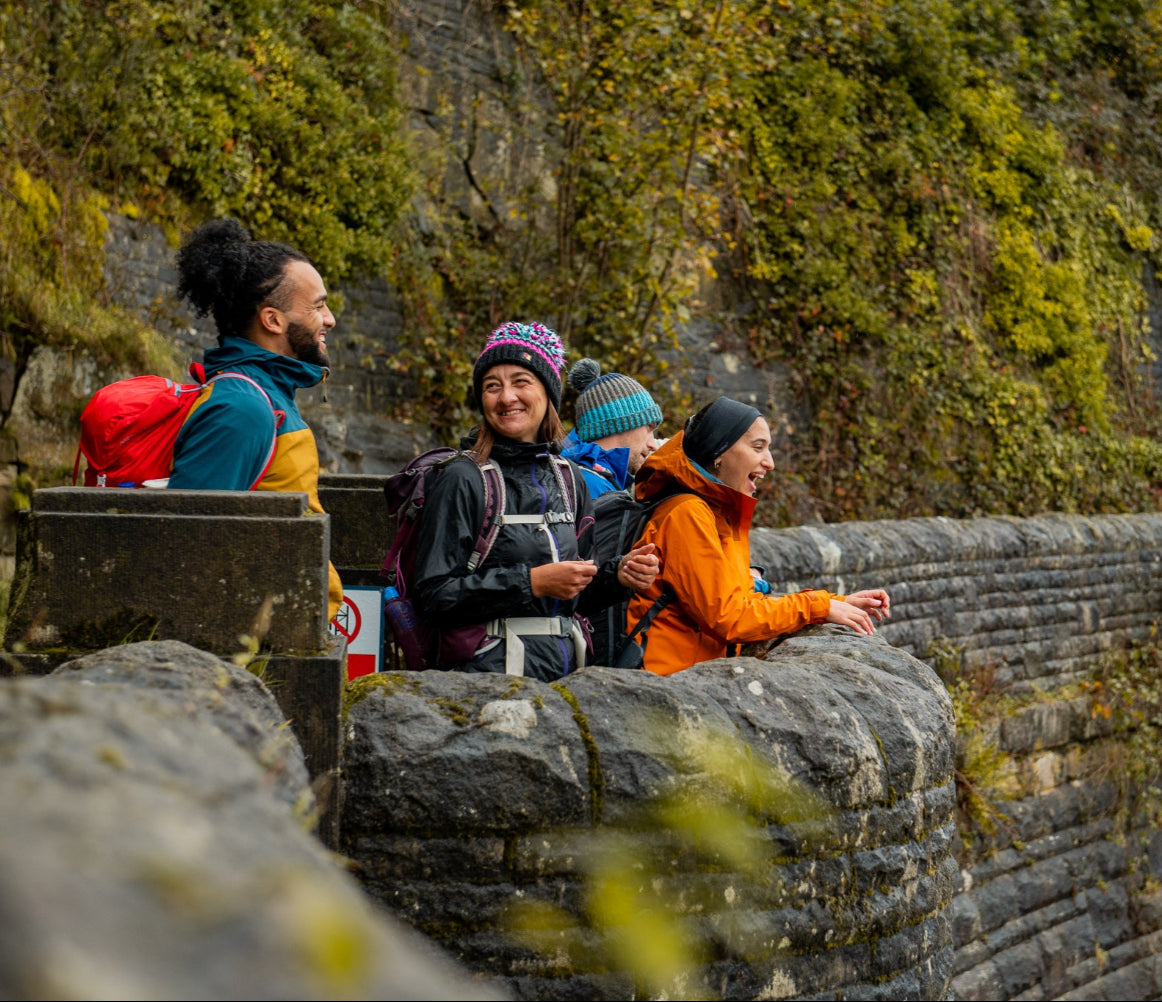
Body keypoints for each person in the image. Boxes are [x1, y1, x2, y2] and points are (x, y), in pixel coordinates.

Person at [410, 322, 659, 681]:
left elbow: (575, 595)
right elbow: (433, 596)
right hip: (483, 681)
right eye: (492, 386)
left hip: (564, 676)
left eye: (521, 382)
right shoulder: (463, 478)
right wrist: (531, 582)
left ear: (547, 392)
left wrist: (617, 576)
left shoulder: (569, 478)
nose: (506, 396)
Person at [628, 396, 890, 676]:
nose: (770, 463)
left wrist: (834, 601)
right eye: (758, 447)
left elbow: (742, 600)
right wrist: (819, 606)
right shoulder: (687, 513)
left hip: (687, 677)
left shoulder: (716, 511)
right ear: (719, 452)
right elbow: (730, 617)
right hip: (662, 682)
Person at [170, 218, 343, 620]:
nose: (330, 318)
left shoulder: (267, 393)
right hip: (255, 654)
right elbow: (188, 547)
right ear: (272, 320)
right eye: (317, 306)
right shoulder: (241, 408)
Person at [561, 358, 663, 497]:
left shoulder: (586, 478)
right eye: (648, 429)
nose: (653, 445)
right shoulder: (593, 487)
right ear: (621, 424)